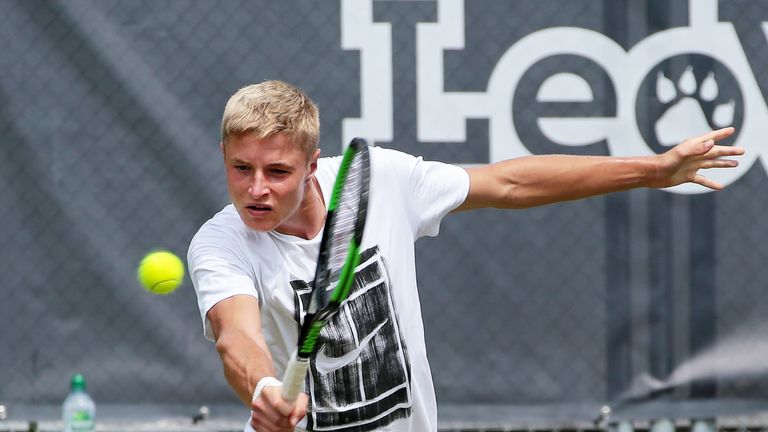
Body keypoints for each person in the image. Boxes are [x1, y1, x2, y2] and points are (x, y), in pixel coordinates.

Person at [187, 80, 744, 432]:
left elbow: (511, 182)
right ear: (224, 156)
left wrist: (651, 171)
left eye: (277, 172)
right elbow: (238, 337)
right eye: (241, 168)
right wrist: (263, 390)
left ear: (311, 166)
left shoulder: (375, 180)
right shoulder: (220, 243)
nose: (256, 188)